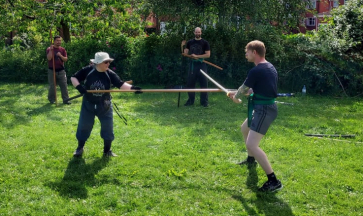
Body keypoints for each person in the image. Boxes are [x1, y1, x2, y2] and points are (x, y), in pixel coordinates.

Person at [227, 40, 282, 192]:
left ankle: (274, 181)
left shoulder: (257, 70)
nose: (246, 54)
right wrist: (237, 93)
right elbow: (253, 90)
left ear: (255, 52)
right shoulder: (269, 67)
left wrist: (235, 96)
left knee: (252, 144)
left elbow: (244, 89)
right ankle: (251, 160)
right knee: (245, 129)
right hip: (263, 107)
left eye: (247, 51)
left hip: (265, 109)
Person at [70, 52, 142, 157]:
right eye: (106, 62)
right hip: (88, 104)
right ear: (98, 63)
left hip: (104, 105)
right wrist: (79, 87)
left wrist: (133, 88)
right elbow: (73, 78)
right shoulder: (88, 70)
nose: (108, 64)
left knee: (108, 127)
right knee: (84, 126)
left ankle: (107, 151)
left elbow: (120, 84)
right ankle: (80, 148)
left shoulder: (110, 73)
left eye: (109, 62)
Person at [181, 27, 210, 107]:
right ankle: (190, 101)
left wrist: (197, 56)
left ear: (201, 33)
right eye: (196, 32)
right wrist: (182, 46)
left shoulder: (205, 43)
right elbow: (185, 54)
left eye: (199, 32)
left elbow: (208, 55)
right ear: (194, 32)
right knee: (190, 83)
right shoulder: (190, 42)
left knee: (204, 83)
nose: (197, 34)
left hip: (201, 64)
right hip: (192, 65)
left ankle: (204, 102)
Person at [46, 35, 71, 104]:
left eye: (60, 41)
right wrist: (51, 50)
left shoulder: (62, 50)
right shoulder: (49, 49)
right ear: (54, 41)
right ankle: (52, 99)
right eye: (57, 40)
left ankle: (66, 100)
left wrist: (60, 55)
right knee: (52, 86)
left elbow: (65, 59)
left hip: (61, 70)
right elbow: (49, 58)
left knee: (64, 85)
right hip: (52, 70)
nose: (59, 42)